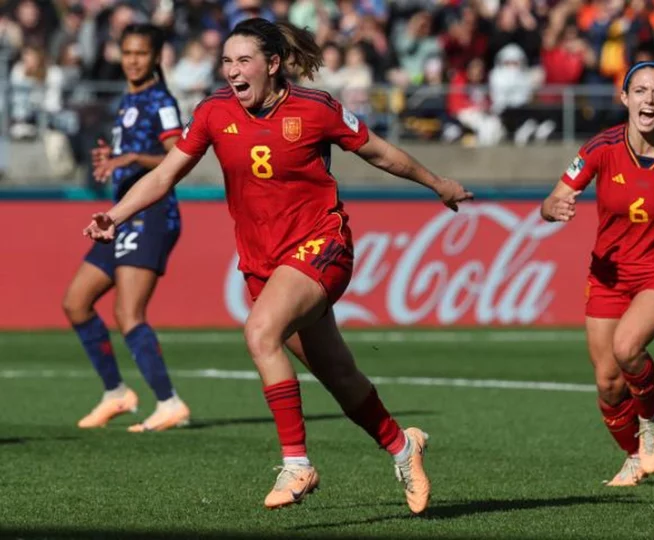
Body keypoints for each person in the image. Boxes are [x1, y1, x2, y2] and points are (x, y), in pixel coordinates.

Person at [83, 18, 473, 512]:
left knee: (260, 333)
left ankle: (297, 464)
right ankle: (403, 446)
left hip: (321, 245)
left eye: (243, 60)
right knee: (339, 375)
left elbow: (380, 153)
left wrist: (437, 183)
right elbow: (164, 175)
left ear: (272, 64)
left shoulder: (316, 109)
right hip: (262, 262)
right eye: (226, 61)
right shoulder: (212, 112)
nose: (232, 71)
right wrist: (113, 216)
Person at [540, 61, 654, 486]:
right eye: (640, 91)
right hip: (609, 275)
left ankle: (651, 422)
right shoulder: (601, 147)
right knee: (607, 384)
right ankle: (635, 455)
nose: (649, 99)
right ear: (624, 98)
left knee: (627, 346)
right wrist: (555, 209)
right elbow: (552, 200)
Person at [63, 24, 190, 433]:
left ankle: (169, 403)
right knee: (76, 303)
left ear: (155, 57)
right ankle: (116, 392)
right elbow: (133, 155)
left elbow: (179, 156)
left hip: (151, 215)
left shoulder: (161, 100)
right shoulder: (129, 98)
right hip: (121, 215)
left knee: (128, 313)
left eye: (141, 53)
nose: (133, 60)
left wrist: (132, 158)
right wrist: (113, 158)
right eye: (127, 53)